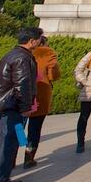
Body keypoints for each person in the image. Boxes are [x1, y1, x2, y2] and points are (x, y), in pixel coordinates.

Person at [0, 26, 41, 182]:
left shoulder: (13, 54)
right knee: (8, 142)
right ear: (32, 40)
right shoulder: (22, 57)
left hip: (6, 104)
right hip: (13, 105)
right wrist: (26, 106)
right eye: (39, 39)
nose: (40, 42)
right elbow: (22, 84)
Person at [24, 35, 60, 169]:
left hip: (20, 95)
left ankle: (11, 156)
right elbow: (53, 75)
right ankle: (28, 156)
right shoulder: (48, 54)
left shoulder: (20, 53)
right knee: (35, 128)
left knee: (19, 127)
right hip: (40, 94)